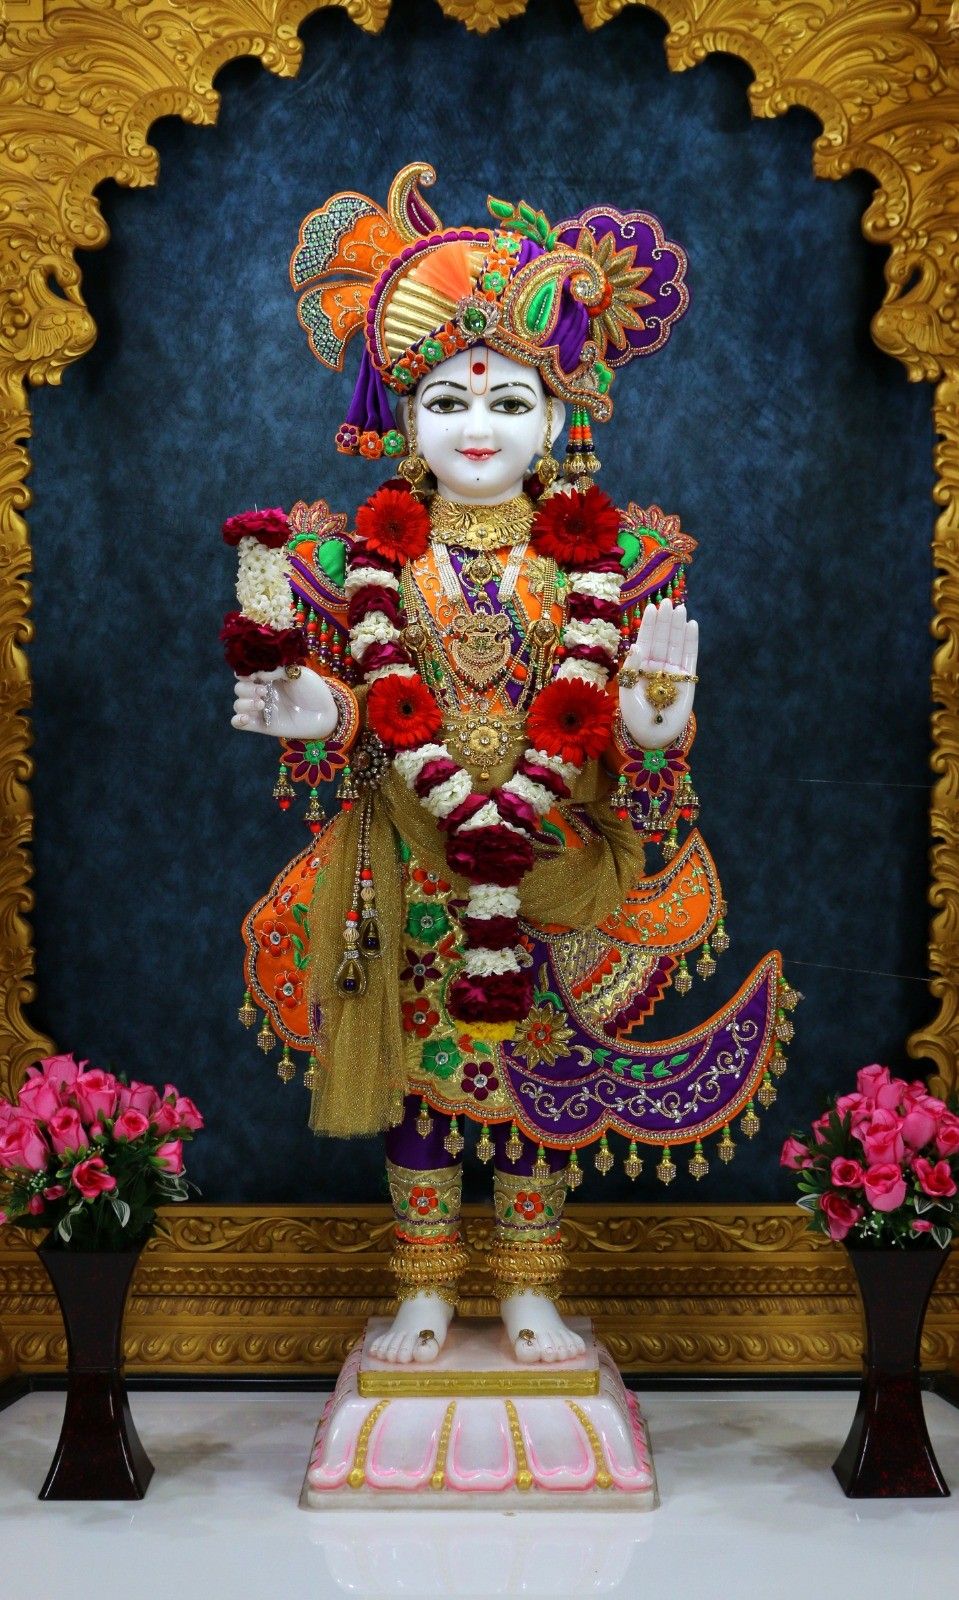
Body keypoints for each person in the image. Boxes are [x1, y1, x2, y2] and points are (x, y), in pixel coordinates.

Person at [224, 165, 789, 1367]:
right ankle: (425, 1286)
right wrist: (317, 711)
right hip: (407, 862)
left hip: (553, 861)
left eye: (507, 401)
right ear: (402, 421)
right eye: (442, 401)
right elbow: (355, 732)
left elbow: (655, 759)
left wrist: (647, 736)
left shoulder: (621, 565)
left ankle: (529, 1285)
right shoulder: (352, 565)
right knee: (424, 1080)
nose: (475, 428)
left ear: (556, 417)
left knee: (536, 1079)